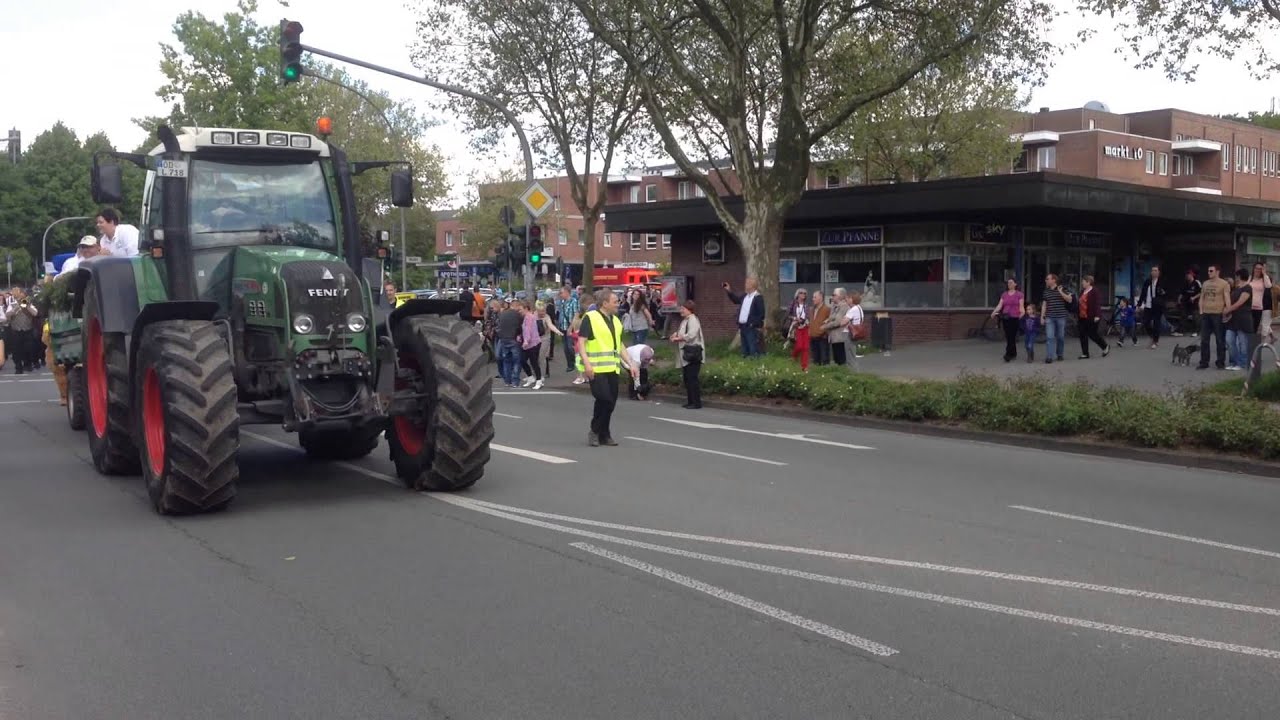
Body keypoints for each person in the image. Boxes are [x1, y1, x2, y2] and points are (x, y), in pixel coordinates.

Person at [576, 289, 640, 447]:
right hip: (596, 369)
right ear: (605, 303)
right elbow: (581, 342)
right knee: (604, 399)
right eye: (615, 302)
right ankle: (595, 431)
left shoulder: (616, 320)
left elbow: (619, 345)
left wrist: (631, 363)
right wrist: (587, 364)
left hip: (612, 368)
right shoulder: (590, 318)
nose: (618, 304)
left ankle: (604, 434)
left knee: (610, 403)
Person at [670, 300, 704, 409]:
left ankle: (696, 402)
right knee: (687, 378)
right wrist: (675, 335)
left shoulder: (693, 320)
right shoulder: (686, 320)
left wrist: (678, 338)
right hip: (686, 354)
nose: (681, 310)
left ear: (689, 310)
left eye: (683, 309)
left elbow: (691, 335)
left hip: (692, 354)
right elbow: (682, 332)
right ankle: (690, 401)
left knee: (692, 378)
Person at [1196, 264, 1230, 370]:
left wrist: (1227, 310)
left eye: (1211, 271)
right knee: (1204, 339)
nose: (1209, 273)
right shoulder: (1205, 283)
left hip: (1218, 314)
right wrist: (1201, 310)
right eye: (1208, 271)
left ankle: (1220, 362)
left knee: (1219, 339)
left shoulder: (1224, 284)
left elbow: (1227, 298)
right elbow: (1202, 297)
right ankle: (1204, 362)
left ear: (1217, 272)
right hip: (1206, 314)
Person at [724, 277, 765, 357]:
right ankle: (745, 360)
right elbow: (736, 300)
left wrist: (753, 324)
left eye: (747, 283)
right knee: (744, 348)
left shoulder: (758, 298)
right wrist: (729, 291)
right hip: (742, 326)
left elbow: (761, 314)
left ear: (752, 285)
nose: (745, 285)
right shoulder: (745, 296)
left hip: (751, 327)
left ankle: (754, 360)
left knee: (753, 347)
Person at [1225, 268, 1254, 371]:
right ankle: (1233, 362)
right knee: (1229, 340)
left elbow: (1239, 303)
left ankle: (1242, 363)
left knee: (1242, 343)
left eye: (1236, 276)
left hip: (1243, 319)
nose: (1235, 278)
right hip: (1233, 319)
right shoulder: (1236, 289)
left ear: (1239, 276)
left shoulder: (1247, 288)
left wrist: (1227, 310)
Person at [990, 278, 1024, 362]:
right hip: (1006, 317)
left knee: (1012, 336)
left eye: (1011, 283)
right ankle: (1012, 353)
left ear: (1015, 284)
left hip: (1015, 317)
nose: (1009, 284)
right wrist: (994, 312)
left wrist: (1022, 313)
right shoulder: (1004, 294)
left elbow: (1021, 305)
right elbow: (1000, 305)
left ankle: (1008, 354)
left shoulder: (1019, 294)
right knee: (1008, 336)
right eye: (1008, 283)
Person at [5, 287, 38, 374]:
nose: (15, 294)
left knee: (28, 348)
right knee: (16, 350)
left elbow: (35, 313)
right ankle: (18, 367)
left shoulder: (27, 302)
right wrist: (16, 307)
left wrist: (27, 306)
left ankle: (28, 365)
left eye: (17, 292)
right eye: (14, 292)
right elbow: (7, 315)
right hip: (16, 331)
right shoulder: (12, 304)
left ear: (21, 293)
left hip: (27, 329)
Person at [1040, 274, 1071, 364]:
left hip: (1061, 317)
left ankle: (1060, 354)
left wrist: (1061, 292)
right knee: (1050, 337)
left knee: (1060, 337)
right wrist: (1042, 317)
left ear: (1053, 280)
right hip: (1050, 317)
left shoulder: (1062, 288)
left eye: (1047, 279)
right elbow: (1044, 305)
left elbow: (1069, 300)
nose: (1046, 280)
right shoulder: (1046, 291)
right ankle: (1049, 356)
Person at [1076, 275, 1109, 359]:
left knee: (1092, 334)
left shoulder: (1094, 291)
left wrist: (1097, 315)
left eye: (1083, 281)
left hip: (1091, 316)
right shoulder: (1082, 291)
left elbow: (1097, 304)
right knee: (1082, 334)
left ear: (1088, 282)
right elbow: (1079, 302)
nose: (1082, 283)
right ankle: (1085, 353)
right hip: (1082, 316)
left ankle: (1105, 346)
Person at [1135, 266, 1168, 349]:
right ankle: (1152, 336)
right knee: (1146, 322)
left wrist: (1162, 293)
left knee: (1156, 323)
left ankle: (1155, 341)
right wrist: (1139, 304)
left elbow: (1165, 293)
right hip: (1148, 305)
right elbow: (1143, 293)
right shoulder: (1148, 281)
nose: (1154, 272)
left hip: (1157, 305)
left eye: (1155, 270)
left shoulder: (1162, 282)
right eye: (1152, 270)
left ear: (1159, 272)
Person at [495, 300, 524, 388]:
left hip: (503, 339)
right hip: (513, 339)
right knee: (516, 361)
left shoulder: (502, 314)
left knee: (506, 361)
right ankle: (515, 381)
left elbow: (498, 326)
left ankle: (507, 381)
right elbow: (520, 328)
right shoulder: (518, 315)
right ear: (516, 306)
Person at [786, 288, 811, 371]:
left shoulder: (806, 305)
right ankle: (794, 356)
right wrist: (795, 318)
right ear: (797, 294)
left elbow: (808, 316)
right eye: (801, 293)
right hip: (796, 326)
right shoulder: (793, 303)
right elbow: (788, 314)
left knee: (806, 347)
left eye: (804, 293)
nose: (803, 294)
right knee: (799, 345)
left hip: (805, 326)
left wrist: (806, 320)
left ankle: (805, 366)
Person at [1175, 269, 1201, 336]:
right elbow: (1182, 293)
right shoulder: (1185, 283)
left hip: (1194, 302)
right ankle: (1181, 331)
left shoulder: (1196, 282)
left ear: (1192, 275)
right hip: (1186, 302)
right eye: (1186, 275)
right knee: (1183, 315)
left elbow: (1201, 292)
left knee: (1195, 316)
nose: (1187, 276)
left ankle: (1196, 331)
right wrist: (1179, 300)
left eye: (1188, 275)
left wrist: (1194, 297)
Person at [809, 290, 831, 365]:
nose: (813, 299)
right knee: (815, 358)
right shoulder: (812, 309)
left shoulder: (827, 309)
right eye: (813, 297)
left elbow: (829, 322)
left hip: (822, 337)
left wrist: (823, 331)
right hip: (813, 337)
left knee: (824, 358)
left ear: (821, 298)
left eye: (815, 297)